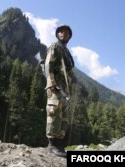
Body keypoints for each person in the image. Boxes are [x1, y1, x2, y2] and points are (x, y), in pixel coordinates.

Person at [44, 25, 74, 157]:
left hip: (64, 89)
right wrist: (51, 83)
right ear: (57, 34)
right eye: (61, 31)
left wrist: (68, 92)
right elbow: (48, 64)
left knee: (63, 118)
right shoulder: (55, 47)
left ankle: (59, 145)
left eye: (67, 32)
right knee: (53, 113)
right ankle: (52, 145)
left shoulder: (67, 52)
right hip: (55, 86)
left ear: (69, 36)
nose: (64, 34)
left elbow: (68, 75)